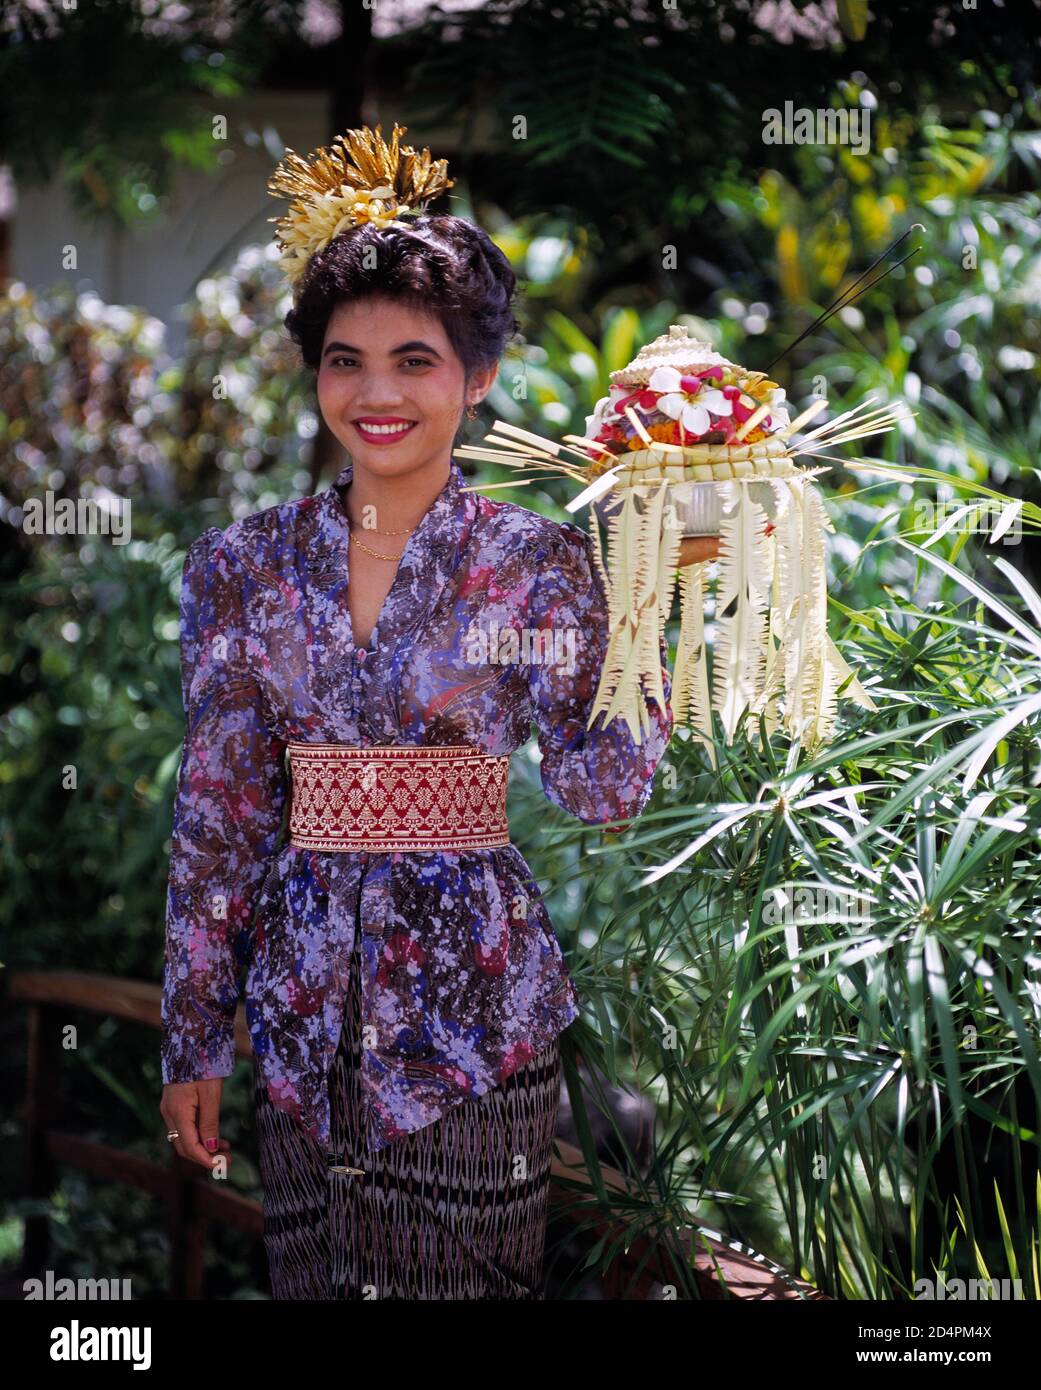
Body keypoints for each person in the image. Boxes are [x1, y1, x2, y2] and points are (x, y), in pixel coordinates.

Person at [158, 123, 718, 1300]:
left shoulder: (538, 566)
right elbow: (217, 820)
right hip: (303, 1027)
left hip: (478, 1023)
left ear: (478, 376)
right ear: (314, 374)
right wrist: (197, 1034)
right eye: (344, 359)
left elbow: (601, 789)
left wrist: (651, 601)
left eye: (415, 360)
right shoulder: (241, 568)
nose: (376, 393)